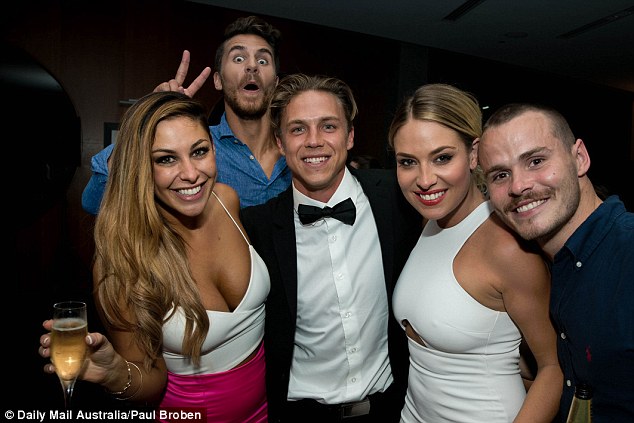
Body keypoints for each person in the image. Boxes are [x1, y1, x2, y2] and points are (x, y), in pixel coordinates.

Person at [40, 91, 270, 422]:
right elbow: (150, 384)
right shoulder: (121, 261)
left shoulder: (226, 200)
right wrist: (115, 373)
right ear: (139, 167)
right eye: (166, 159)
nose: (190, 174)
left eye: (199, 151)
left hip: (267, 411)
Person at [240, 73, 422, 423]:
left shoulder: (398, 198)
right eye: (298, 129)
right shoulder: (256, 227)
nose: (314, 141)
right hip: (298, 415)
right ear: (280, 142)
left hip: (393, 409)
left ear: (350, 135)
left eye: (328, 126)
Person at [387, 84, 562, 422]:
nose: (424, 179)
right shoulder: (428, 222)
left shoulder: (506, 247)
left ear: (473, 154)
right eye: (408, 162)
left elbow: (553, 367)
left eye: (442, 158)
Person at [477, 103, 634, 422]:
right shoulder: (543, 264)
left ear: (580, 158)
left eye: (536, 161)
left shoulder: (627, 252)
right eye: (501, 175)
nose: (518, 186)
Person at [81, 15, 291, 214]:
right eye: (238, 58)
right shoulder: (196, 150)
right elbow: (94, 201)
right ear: (218, 80)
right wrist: (148, 119)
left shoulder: (298, 147)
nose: (252, 66)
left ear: (275, 82)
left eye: (263, 61)